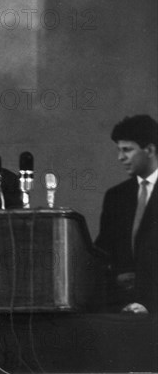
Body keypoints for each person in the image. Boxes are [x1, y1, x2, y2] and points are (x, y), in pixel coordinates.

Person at [95, 115, 158, 314]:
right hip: (122, 309)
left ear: (150, 150)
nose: (120, 157)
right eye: (119, 150)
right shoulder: (116, 196)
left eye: (127, 150)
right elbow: (103, 250)